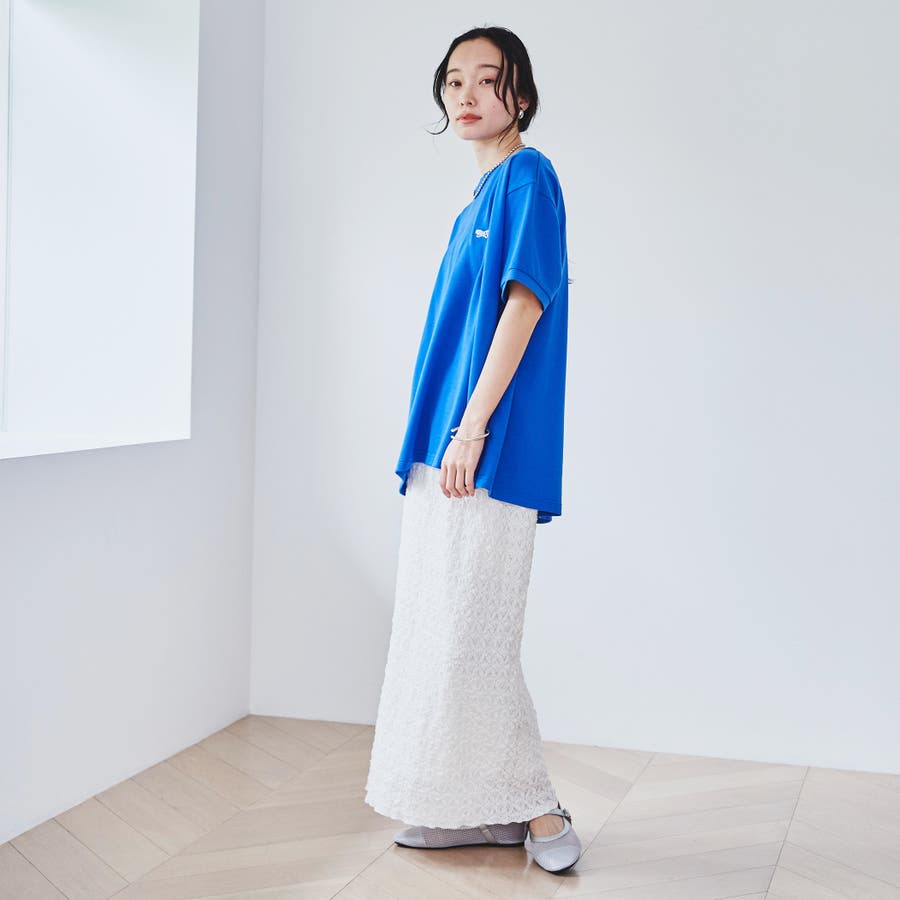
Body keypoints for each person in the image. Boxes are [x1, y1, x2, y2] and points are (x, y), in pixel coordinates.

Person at [364, 25, 582, 875]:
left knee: (474, 638)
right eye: (454, 80)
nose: (467, 94)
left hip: (482, 448)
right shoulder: (473, 204)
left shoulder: (529, 176)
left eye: (487, 79)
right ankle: (476, 811)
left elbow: (525, 303)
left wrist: (472, 427)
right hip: (443, 451)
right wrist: (443, 436)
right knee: (437, 631)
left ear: (519, 94)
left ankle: (539, 807)